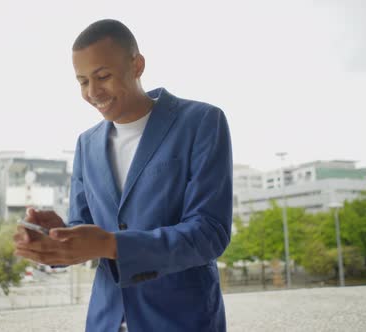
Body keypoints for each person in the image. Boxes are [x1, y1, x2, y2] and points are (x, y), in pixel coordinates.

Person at [14, 19, 233, 332]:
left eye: (103, 76)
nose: (92, 92)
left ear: (137, 64)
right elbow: (85, 229)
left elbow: (209, 234)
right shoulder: (86, 144)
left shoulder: (201, 122)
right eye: (82, 81)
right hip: (106, 320)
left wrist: (111, 244)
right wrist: (57, 236)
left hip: (183, 320)